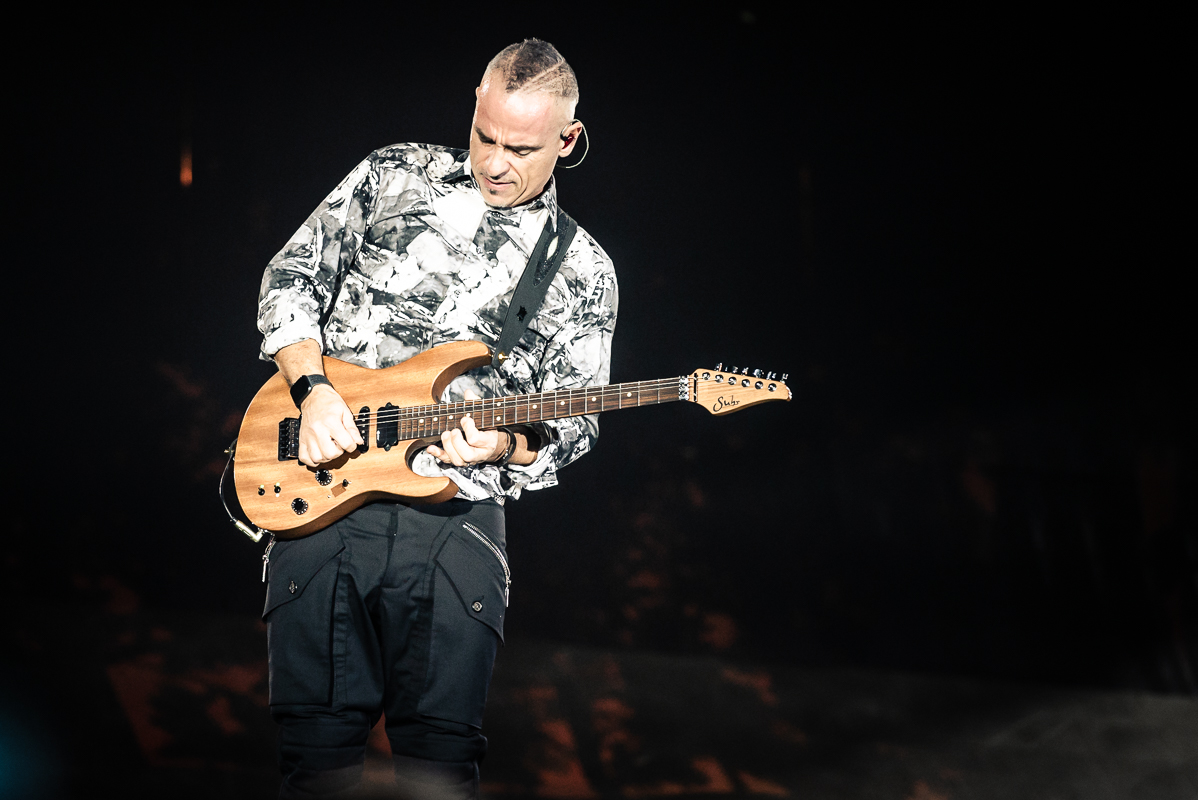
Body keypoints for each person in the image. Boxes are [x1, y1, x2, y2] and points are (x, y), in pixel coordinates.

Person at [255, 39, 617, 799]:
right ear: (474, 107)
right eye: (485, 136)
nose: (495, 163)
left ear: (568, 138)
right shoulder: (392, 174)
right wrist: (312, 389)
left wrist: (505, 443)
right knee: (315, 762)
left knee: (440, 771)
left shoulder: (583, 269)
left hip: (457, 524)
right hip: (325, 496)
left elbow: (575, 422)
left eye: (521, 149)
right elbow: (291, 276)